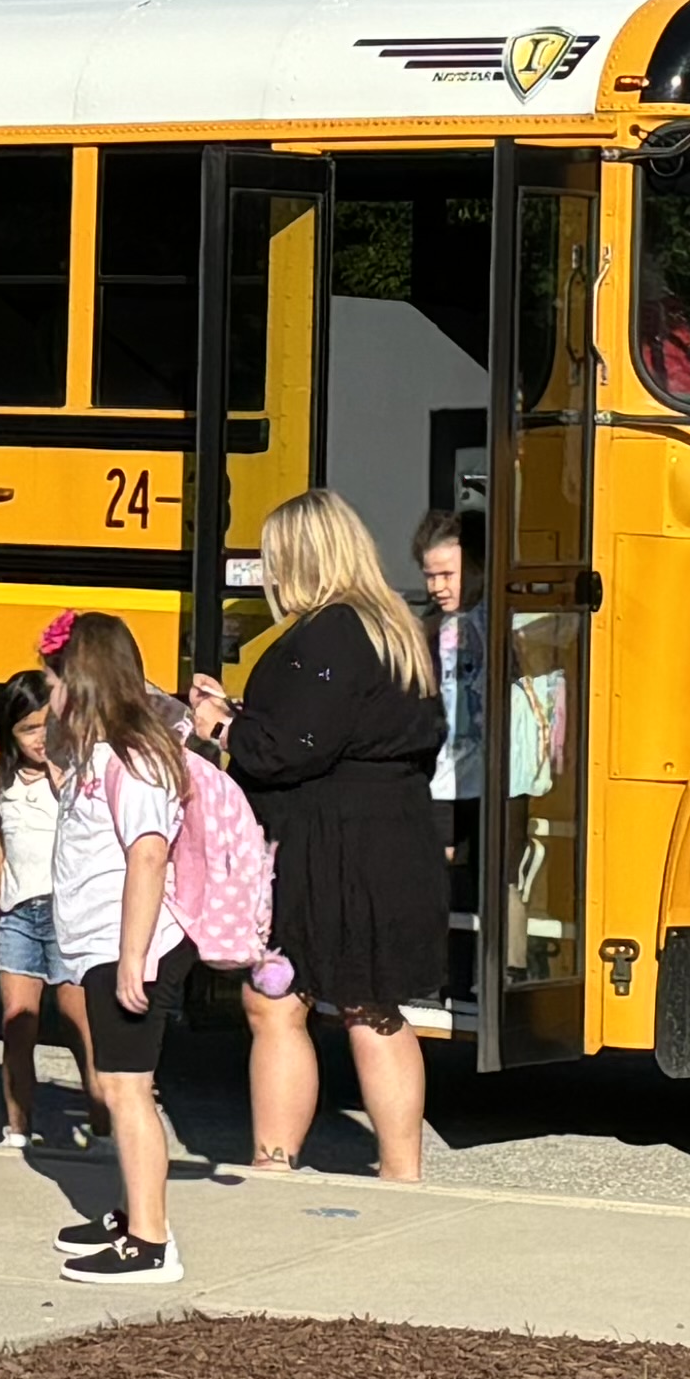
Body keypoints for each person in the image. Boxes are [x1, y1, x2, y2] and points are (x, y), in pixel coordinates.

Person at [227, 489, 450, 1181]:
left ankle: (273, 1159)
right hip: (394, 834)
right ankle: (402, 1169)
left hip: (327, 843)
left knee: (275, 1000)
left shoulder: (326, 632)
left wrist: (222, 726)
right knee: (374, 1005)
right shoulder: (396, 628)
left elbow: (293, 746)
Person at [39, 609, 194, 1286]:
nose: (48, 694)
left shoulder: (131, 762)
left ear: (83, 681)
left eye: (56, 680)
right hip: (103, 940)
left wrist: (134, 956)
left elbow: (150, 856)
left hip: (126, 944)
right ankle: (135, 1212)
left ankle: (151, 1242)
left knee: (129, 1089)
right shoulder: (99, 753)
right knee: (116, 1083)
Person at [0, 659, 74, 1147]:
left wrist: (65, 781)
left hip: (67, 914)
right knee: (17, 1024)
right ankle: (18, 1127)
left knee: (80, 1026)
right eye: (28, 729)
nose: (40, 739)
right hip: (18, 914)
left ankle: (102, 1126)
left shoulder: (77, 778)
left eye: (48, 726)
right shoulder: (4, 784)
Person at [416, 504, 482, 1030]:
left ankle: (464, 979)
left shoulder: (495, 624)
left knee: (477, 881)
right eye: (430, 575)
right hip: (442, 777)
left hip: (490, 776)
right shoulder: (426, 630)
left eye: (447, 574)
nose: (438, 585)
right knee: (440, 876)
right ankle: (442, 979)